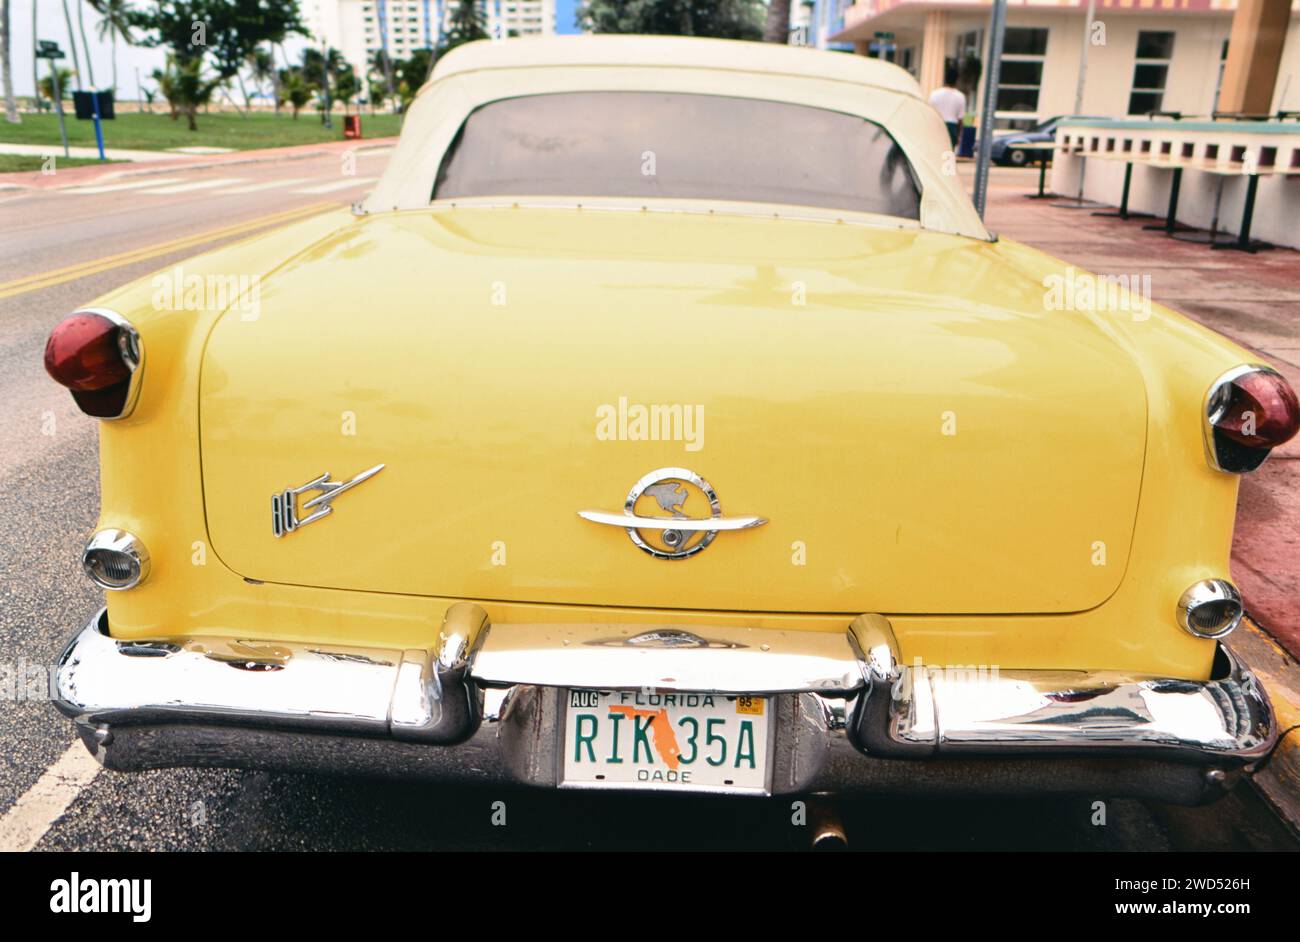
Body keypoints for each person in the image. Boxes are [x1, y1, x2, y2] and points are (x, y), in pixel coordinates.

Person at [928, 66, 966, 149]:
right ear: (956, 80)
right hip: (952, 128)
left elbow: (929, 114)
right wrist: (959, 136)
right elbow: (960, 120)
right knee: (948, 156)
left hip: (937, 126)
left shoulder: (934, 94)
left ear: (945, 78)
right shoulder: (960, 96)